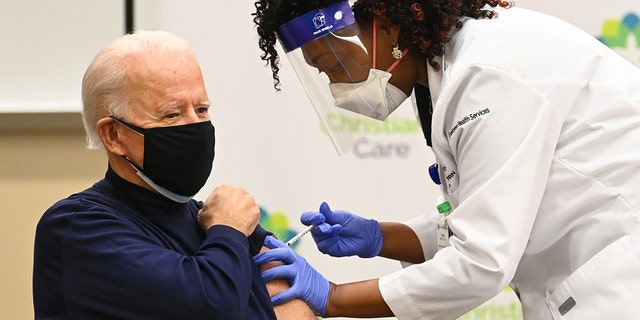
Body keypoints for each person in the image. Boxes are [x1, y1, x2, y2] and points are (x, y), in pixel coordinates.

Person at [251, 0, 640, 319]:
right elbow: (482, 221)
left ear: (385, 23)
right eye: (324, 73)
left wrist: (333, 297)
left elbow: (482, 261)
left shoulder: (482, 77)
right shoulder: (444, 72)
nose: (338, 88)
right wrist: (381, 237)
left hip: (618, 280)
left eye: (336, 64)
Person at [32, 30, 315, 319]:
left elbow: (296, 302)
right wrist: (230, 229)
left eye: (202, 109)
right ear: (114, 135)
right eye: (171, 114)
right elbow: (213, 307)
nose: (195, 126)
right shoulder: (78, 228)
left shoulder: (208, 218)